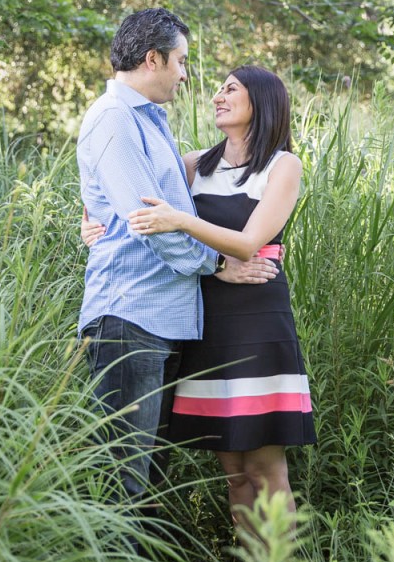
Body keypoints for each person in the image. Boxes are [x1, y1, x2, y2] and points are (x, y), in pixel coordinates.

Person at [82, 64, 316, 532]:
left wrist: (181, 221)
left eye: (231, 89)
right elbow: (114, 188)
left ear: (262, 101)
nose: (217, 96)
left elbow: (248, 243)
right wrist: (92, 225)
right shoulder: (194, 163)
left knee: (266, 469)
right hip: (207, 322)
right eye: (218, 89)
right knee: (235, 475)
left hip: (257, 322)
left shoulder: (282, 165)